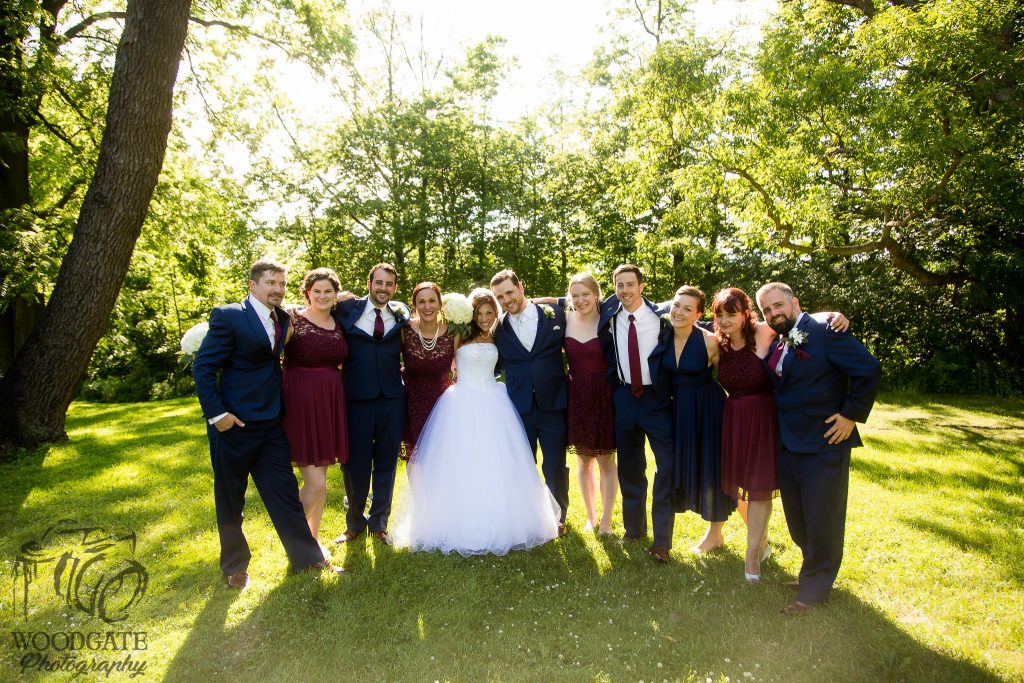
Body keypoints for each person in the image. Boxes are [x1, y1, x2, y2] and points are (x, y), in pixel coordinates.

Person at [192, 259, 344, 588]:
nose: (277, 289)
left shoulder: (284, 318)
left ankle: (308, 559)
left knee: (285, 495)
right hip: (233, 425)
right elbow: (203, 367)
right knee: (231, 498)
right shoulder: (229, 316)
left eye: (281, 283)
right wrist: (217, 415)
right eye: (270, 283)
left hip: (272, 422)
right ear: (253, 285)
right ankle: (235, 567)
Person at [393, 289, 561, 555]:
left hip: (494, 401)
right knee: (462, 461)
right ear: (471, 315)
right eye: (479, 313)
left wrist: (545, 301)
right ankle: (454, 516)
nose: (484, 318)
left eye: (489, 313)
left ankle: (503, 516)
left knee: (497, 461)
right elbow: (439, 351)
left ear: (496, 313)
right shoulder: (459, 334)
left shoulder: (499, 335)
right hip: (462, 402)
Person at [755, 282, 881, 614]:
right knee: (798, 518)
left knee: (822, 518)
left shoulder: (827, 331)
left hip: (825, 442)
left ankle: (813, 591)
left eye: (778, 305)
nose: (773, 313)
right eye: (767, 310)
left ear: (795, 303)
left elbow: (868, 369)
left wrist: (851, 415)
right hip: (788, 442)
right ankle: (811, 572)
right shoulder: (779, 341)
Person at [597, 264, 676, 563]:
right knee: (630, 467)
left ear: (642, 286)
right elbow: (571, 299)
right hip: (625, 397)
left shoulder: (663, 317)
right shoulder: (609, 315)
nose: (625, 290)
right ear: (614, 288)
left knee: (666, 467)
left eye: (630, 284)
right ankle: (634, 530)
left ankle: (662, 541)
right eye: (620, 285)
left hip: (657, 399)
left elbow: (697, 321)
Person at [332, 263, 407, 547]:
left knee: (386, 463)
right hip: (356, 399)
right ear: (369, 283)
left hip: (392, 399)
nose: (383, 288)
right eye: (379, 283)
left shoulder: (400, 314)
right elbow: (313, 307)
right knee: (355, 465)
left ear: (394, 288)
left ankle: (379, 524)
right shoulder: (345, 309)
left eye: (389, 284)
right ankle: (354, 523)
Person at [536, 274, 618, 534]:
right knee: (584, 461)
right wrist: (530, 300)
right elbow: (547, 302)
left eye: (586, 294)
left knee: (606, 460)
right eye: (575, 295)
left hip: (604, 394)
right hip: (576, 394)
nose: (581, 300)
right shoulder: (564, 317)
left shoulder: (608, 318)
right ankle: (591, 517)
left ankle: (607, 520)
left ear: (596, 294)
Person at [490, 269, 570, 534]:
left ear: (521, 287)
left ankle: (558, 518)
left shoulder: (554, 314)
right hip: (518, 405)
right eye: (500, 297)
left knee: (554, 464)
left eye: (509, 293)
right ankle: (526, 517)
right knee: (522, 465)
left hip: (553, 402)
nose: (506, 300)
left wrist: (555, 299)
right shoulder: (498, 329)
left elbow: (587, 301)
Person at [280, 268, 349, 552]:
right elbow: (270, 353)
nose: (322, 295)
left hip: (329, 400)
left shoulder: (339, 320)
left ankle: (313, 541)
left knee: (322, 480)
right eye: (316, 291)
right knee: (316, 484)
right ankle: (293, 539)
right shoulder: (293, 319)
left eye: (328, 291)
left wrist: (345, 298)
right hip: (300, 400)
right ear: (307, 293)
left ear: (335, 294)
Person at [663, 286, 736, 553]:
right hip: (678, 409)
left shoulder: (709, 341)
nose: (679, 312)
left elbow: (730, 379)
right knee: (684, 467)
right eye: (676, 305)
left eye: (687, 309)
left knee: (711, 469)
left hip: (708, 410)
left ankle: (715, 535)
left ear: (698, 315)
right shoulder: (662, 334)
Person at [401, 282, 458, 458]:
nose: (427, 306)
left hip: (442, 407)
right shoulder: (404, 331)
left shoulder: (453, 333)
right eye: (421, 302)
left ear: (440, 304)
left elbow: (461, 369)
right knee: (415, 463)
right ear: (415, 305)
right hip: (411, 405)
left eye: (432, 301)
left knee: (440, 461)